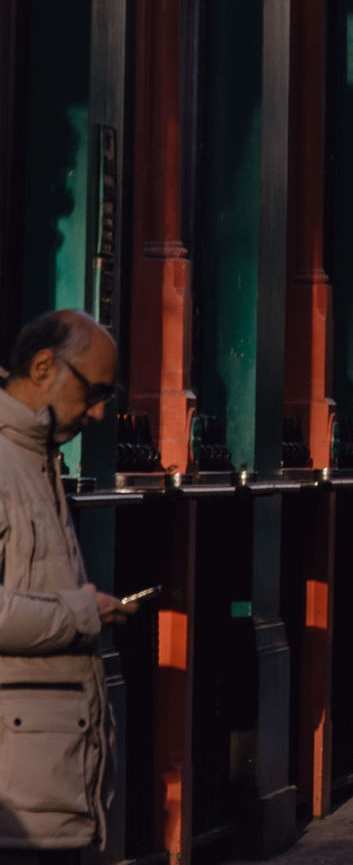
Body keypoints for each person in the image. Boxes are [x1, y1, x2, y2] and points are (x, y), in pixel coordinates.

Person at [0, 311, 134, 852]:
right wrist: (82, 612)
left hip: (45, 776)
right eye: (94, 392)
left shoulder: (37, 458)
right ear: (42, 367)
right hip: (18, 791)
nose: (98, 412)